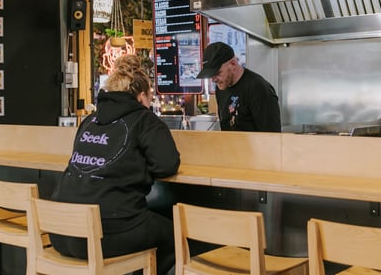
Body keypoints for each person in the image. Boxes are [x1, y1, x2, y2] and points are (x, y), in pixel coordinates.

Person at [50, 54, 180, 275]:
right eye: (149, 98)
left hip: (60, 233)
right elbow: (167, 166)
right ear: (141, 96)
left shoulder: (89, 120)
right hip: (104, 234)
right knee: (177, 235)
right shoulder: (145, 120)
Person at [196, 41, 281, 132]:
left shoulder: (258, 88)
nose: (213, 80)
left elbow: (272, 137)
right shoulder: (221, 88)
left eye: (217, 73)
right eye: (210, 75)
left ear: (233, 64)